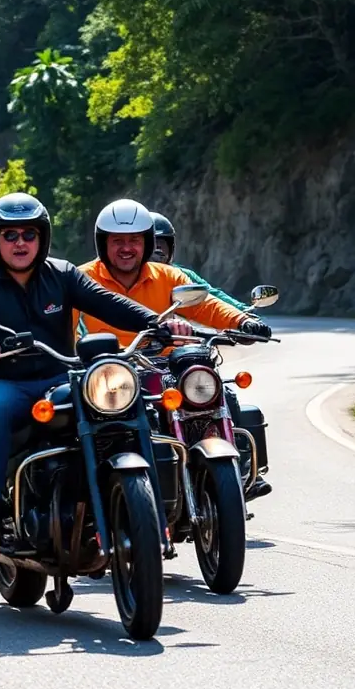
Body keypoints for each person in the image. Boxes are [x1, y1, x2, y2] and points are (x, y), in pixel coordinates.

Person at [0, 192, 193, 544]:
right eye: (10, 235)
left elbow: (109, 303)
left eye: (29, 234)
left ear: (42, 237)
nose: (20, 243)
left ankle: (125, 492)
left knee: (115, 400)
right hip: (3, 379)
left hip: (58, 377)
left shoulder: (62, 274)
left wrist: (156, 323)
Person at [76, 200, 273, 500]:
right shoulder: (82, 278)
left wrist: (243, 320)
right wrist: (80, 348)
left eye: (134, 240)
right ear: (103, 244)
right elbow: (68, 327)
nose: (126, 248)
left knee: (212, 387)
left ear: (147, 243)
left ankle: (231, 467)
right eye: (117, 241)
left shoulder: (169, 277)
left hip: (165, 366)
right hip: (111, 371)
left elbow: (207, 303)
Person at [149, 212, 249, 311]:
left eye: (161, 243)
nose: (158, 248)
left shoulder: (182, 274)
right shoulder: (135, 276)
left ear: (171, 247)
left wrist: (243, 310)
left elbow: (211, 294)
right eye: (152, 243)